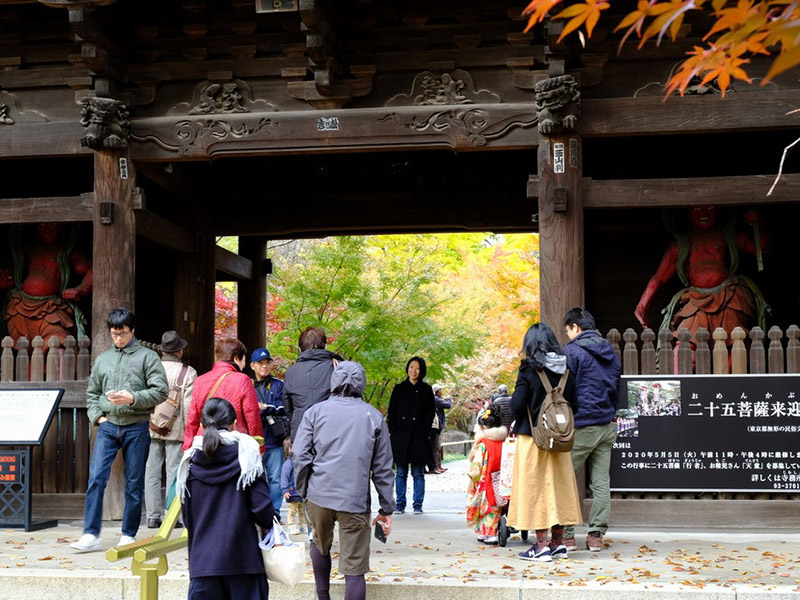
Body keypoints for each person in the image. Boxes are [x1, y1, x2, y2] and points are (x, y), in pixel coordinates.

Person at [293, 361, 395, 600]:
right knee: (355, 568)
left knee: (319, 545)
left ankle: (323, 597)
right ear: (362, 382)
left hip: (319, 495)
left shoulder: (315, 412)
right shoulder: (373, 416)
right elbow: (383, 467)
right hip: (355, 499)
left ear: (334, 381)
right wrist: (386, 507)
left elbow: (299, 455)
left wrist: (304, 489)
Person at [70, 308, 169, 552]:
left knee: (134, 483)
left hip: (137, 426)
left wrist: (132, 398)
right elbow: (92, 394)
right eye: (114, 334)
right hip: (108, 426)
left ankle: (128, 533)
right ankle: (91, 534)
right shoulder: (103, 359)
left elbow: (161, 391)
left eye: (123, 333)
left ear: (132, 331)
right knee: (96, 479)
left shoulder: (148, 357)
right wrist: (98, 418)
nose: (118, 338)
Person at [177, 397, 274, 600]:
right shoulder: (248, 458)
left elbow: (188, 518)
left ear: (202, 425)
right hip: (244, 561)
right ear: (234, 424)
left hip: (203, 565)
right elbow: (262, 510)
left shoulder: (189, 465)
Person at [635, 205, 770, 343]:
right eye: (696, 209)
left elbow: (761, 248)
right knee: (683, 347)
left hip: (729, 296)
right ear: (688, 212)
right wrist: (642, 306)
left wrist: (760, 223)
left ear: (719, 211)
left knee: (735, 344)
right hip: (695, 300)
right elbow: (659, 277)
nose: (704, 214)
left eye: (711, 208)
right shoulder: (681, 243)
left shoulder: (727, 235)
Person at [507, 322, 581, 563]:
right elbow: (575, 405)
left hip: (533, 439)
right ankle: (558, 544)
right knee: (558, 489)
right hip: (560, 441)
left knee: (536, 490)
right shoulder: (566, 369)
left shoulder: (528, 370)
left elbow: (517, 406)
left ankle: (541, 547)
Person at [561, 307, 622, 552]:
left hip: (581, 425)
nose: (567, 336)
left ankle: (565, 535)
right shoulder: (611, 353)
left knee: (564, 479)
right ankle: (596, 535)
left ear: (575, 327)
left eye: (568, 330)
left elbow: (564, 390)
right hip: (607, 425)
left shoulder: (572, 352)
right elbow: (616, 389)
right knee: (601, 483)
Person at [0, 222, 93, 346]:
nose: (46, 228)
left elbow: (94, 271)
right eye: (41, 225)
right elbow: (8, 273)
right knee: (20, 347)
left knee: (59, 341)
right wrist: (6, 282)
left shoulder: (67, 252)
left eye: (52, 224)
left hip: (51, 307)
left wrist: (81, 289)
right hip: (19, 306)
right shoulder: (29, 250)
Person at [145, 330, 197, 529]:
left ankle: (152, 516)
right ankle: (172, 516)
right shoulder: (188, 372)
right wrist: (188, 433)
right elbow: (188, 406)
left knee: (151, 472)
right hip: (175, 430)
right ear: (180, 352)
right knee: (174, 472)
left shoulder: (150, 369)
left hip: (151, 428)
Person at [183, 338, 263, 451]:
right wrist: (259, 447)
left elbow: (192, 419)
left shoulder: (200, 380)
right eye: (244, 359)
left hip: (204, 443)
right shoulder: (242, 380)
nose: (244, 364)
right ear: (236, 358)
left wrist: (187, 446)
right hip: (234, 444)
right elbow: (252, 417)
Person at [387, 356, 435, 514]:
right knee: (400, 472)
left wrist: (424, 429)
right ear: (407, 368)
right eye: (411, 367)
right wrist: (394, 430)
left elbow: (430, 412)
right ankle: (400, 503)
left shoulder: (426, 390)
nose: (414, 371)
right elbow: (392, 411)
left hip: (418, 436)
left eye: (417, 368)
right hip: (401, 436)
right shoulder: (399, 388)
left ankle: (417, 504)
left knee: (418, 472)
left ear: (422, 371)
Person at [284, 326, 342, 440]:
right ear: (324, 345)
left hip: (301, 431)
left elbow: (288, 408)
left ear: (300, 348)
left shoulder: (291, 372)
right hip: (332, 431)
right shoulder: (337, 367)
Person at [250, 347, 286, 513]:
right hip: (253, 440)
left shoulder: (279, 385)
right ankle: (257, 510)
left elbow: (283, 406)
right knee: (254, 478)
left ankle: (275, 511)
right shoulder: (247, 385)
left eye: (267, 363)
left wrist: (265, 407)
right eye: (260, 363)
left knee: (275, 479)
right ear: (252, 365)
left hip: (274, 438)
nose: (264, 366)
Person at [466, 403, 508, 545]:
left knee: (485, 506)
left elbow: (476, 466)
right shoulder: (504, 442)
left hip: (485, 479)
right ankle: (492, 532)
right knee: (497, 506)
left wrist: (472, 478)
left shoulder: (483, 443)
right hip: (502, 479)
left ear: (484, 426)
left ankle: (488, 533)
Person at [280, 444, 306, 535]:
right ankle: (291, 525)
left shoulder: (303, 461)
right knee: (292, 510)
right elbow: (284, 477)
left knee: (302, 510)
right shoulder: (288, 463)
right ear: (290, 449)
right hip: (292, 492)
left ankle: (303, 524)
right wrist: (285, 490)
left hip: (301, 492)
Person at [428, 384, 452, 474]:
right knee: (435, 446)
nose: (442, 391)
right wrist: (449, 399)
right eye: (441, 390)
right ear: (437, 391)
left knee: (437, 447)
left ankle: (438, 466)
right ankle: (435, 467)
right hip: (434, 426)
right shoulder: (436, 399)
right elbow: (448, 405)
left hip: (437, 426)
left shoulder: (436, 399)